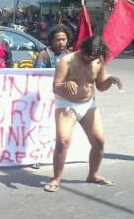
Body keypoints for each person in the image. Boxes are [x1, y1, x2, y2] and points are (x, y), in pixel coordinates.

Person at [43, 35, 123, 192]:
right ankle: (56, 178)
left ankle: (93, 174)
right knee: (63, 142)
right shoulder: (66, 61)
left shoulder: (98, 61)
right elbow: (55, 87)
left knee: (99, 142)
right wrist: (66, 84)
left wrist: (110, 80)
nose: (90, 59)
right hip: (66, 104)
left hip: (88, 104)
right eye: (88, 55)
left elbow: (100, 86)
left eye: (94, 56)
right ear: (82, 49)